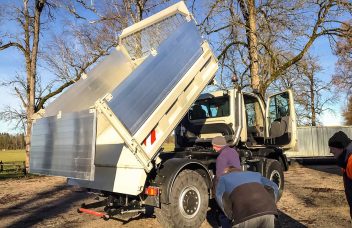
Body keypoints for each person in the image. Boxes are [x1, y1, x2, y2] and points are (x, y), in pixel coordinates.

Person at [212, 136, 241, 227]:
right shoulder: (233, 151)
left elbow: (219, 177)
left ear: (218, 145)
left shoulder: (221, 157)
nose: (213, 148)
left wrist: (215, 192)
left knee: (223, 211)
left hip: (227, 186)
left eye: (214, 146)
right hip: (237, 182)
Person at [328, 131, 352, 220]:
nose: (330, 151)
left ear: (341, 148)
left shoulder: (351, 162)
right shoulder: (345, 160)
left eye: (332, 148)